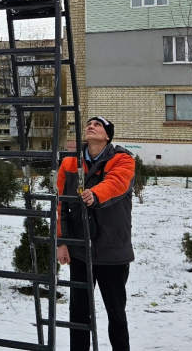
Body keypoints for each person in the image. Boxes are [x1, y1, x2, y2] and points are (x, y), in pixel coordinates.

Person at [56, 117, 135, 351]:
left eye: (98, 125)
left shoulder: (122, 159)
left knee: (116, 315)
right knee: (79, 315)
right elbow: (61, 205)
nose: (91, 126)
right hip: (80, 250)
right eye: (89, 124)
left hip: (112, 251)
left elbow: (117, 183)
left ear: (107, 136)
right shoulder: (70, 163)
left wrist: (95, 194)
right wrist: (62, 242)